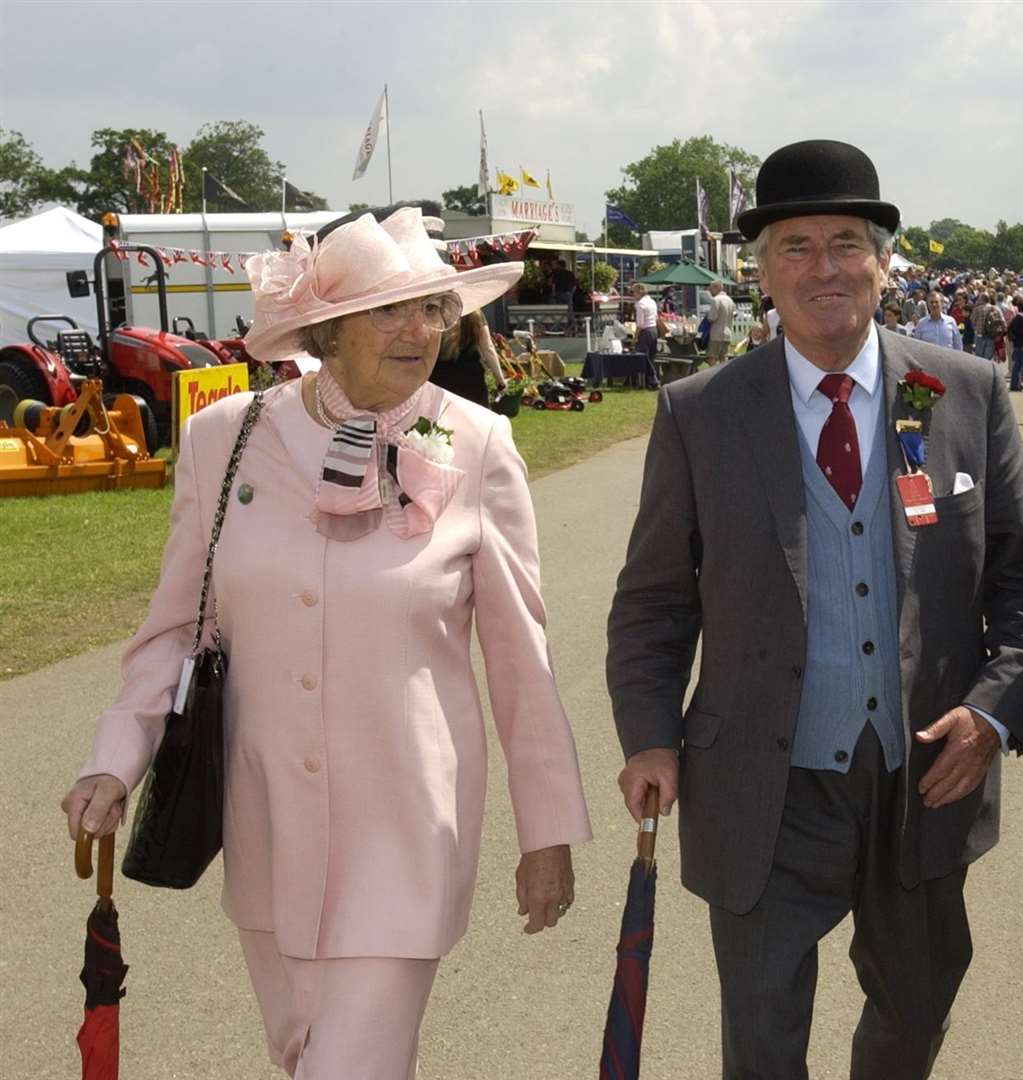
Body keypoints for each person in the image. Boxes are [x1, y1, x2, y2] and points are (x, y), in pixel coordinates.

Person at [61, 206, 593, 1077]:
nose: (420, 331)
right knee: (304, 1054)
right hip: (267, 834)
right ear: (326, 331)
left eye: (432, 309)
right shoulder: (221, 443)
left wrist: (548, 833)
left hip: (406, 837)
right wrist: (114, 760)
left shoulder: (476, 443)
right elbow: (174, 633)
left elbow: (520, 660)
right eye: (390, 309)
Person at [607, 139, 1023, 1080]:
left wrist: (990, 712)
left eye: (847, 242)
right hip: (764, 787)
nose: (825, 268)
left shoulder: (963, 392)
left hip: (921, 775)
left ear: (885, 261)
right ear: (762, 271)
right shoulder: (702, 413)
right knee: (764, 1038)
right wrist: (649, 735)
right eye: (796, 247)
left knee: (915, 1010)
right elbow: (653, 601)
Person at [430, 308, 508, 405]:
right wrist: (501, 381)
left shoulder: (434, 312)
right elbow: (488, 348)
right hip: (471, 377)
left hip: (439, 376)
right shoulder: (475, 314)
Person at [632, 281, 661, 389]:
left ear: (639, 292)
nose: (633, 294)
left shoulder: (640, 304)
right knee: (651, 356)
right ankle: (649, 380)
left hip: (646, 331)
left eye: (634, 292)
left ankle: (653, 380)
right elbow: (656, 317)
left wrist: (635, 337)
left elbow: (640, 323)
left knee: (644, 357)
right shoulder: (652, 301)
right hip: (654, 329)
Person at [705, 280, 738, 368]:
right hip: (727, 334)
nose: (709, 290)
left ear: (717, 287)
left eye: (711, 288)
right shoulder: (730, 300)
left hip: (716, 334)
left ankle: (712, 377)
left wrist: (707, 318)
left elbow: (712, 318)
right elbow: (735, 314)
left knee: (712, 359)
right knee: (723, 359)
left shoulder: (716, 300)